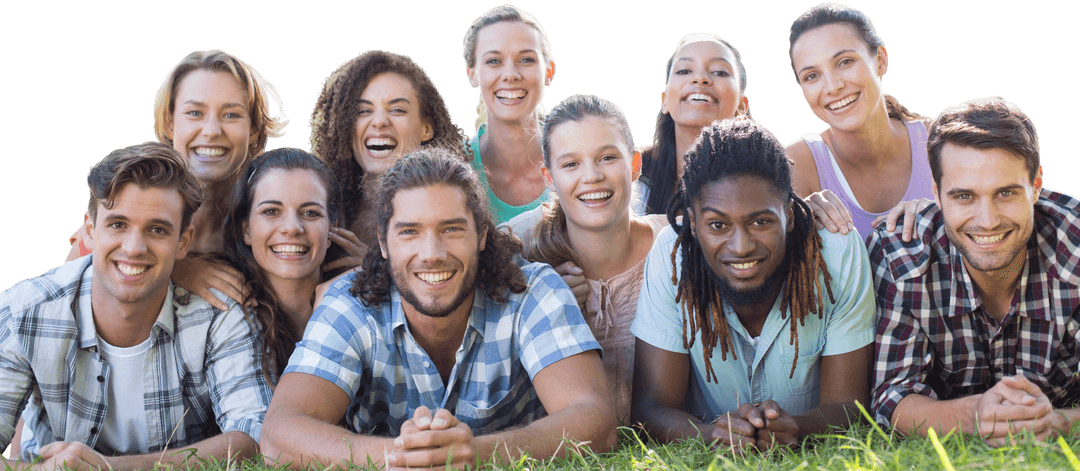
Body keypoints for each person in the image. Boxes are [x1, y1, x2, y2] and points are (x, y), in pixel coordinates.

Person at [260, 149, 616, 469]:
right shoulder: (351, 303)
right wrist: (401, 457)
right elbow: (278, 434)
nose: (432, 253)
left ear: (481, 235)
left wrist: (478, 453)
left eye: (451, 229)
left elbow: (595, 420)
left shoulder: (532, 291)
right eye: (410, 232)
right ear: (383, 242)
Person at [0, 142, 272, 468]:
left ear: (183, 241)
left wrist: (110, 468)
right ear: (90, 230)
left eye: (157, 230)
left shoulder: (220, 317)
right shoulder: (24, 311)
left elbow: (254, 435)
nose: (133, 248)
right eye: (118, 224)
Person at [632, 119, 874, 451]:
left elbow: (850, 407)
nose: (741, 246)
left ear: (789, 215)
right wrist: (709, 434)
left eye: (760, 222)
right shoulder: (673, 256)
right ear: (693, 223)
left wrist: (796, 429)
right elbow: (650, 409)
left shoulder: (836, 253)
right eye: (718, 225)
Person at [870, 96, 1080, 445]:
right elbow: (893, 398)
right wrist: (976, 415)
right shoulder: (900, 255)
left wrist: (1057, 423)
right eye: (964, 196)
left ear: (1036, 186)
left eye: (1005, 193)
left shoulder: (1075, 246)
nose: (987, 221)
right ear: (937, 194)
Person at [67, 49, 289, 312]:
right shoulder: (121, 210)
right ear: (171, 123)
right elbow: (62, 299)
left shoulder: (271, 221)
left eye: (231, 115)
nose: (211, 131)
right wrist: (174, 266)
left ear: (254, 129)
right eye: (194, 113)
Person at [504, 94, 666, 421]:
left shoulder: (672, 243)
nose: (591, 176)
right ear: (549, 177)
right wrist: (542, 300)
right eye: (570, 164)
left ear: (634, 165)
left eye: (607, 158)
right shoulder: (515, 245)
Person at [785, 2, 934, 240]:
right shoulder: (793, 168)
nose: (833, 87)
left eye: (845, 62)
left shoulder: (941, 141)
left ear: (880, 60)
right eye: (812, 76)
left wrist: (939, 214)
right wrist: (800, 220)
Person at [310, 49, 467, 272]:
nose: (379, 122)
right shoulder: (323, 206)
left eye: (397, 110)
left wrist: (378, 270)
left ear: (426, 128)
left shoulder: (457, 202)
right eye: (363, 111)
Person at [222, 148, 340, 382]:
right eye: (271, 211)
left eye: (310, 213)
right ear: (246, 229)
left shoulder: (360, 306)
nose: (292, 227)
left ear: (331, 230)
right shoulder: (225, 316)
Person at [462, 4, 556, 224]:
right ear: (473, 74)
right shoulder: (453, 167)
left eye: (526, 59)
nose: (510, 74)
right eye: (494, 61)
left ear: (548, 71)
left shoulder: (576, 159)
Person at [638, 32, 750, 216]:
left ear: (741, 106)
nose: (700, 79)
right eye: (684, 71)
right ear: (665, 101)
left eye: (719, 72)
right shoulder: (632, 176)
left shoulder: (767, 182)